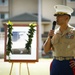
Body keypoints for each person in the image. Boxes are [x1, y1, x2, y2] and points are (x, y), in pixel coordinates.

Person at [43, 5, 75, 75]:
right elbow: (46, 50)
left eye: (59, 16)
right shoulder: (54, 32)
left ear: (66, 18)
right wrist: (49, 37)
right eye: (56, 16)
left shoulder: (74, 32)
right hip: (56, 64)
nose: (56, 18)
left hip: (69, 64)